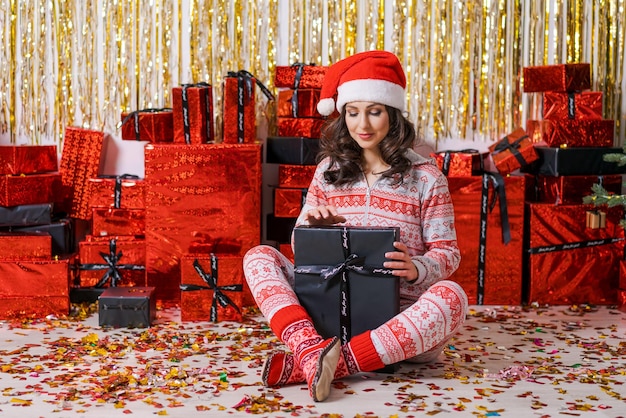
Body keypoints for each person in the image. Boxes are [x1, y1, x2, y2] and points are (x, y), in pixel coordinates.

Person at [243, 50, 468, 402]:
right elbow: (301, 255)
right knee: (259, 257)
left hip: (402, 325)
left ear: (392, 114)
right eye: (352, 112)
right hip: (328, 317)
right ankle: (309, 347)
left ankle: (327, 361)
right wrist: (314, 228)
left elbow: (448, 253)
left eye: (374, 111)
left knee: (452, 297)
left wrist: (416, 268)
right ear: (343, 115)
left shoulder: (426, 177)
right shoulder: (328, 171)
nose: (362, 124)